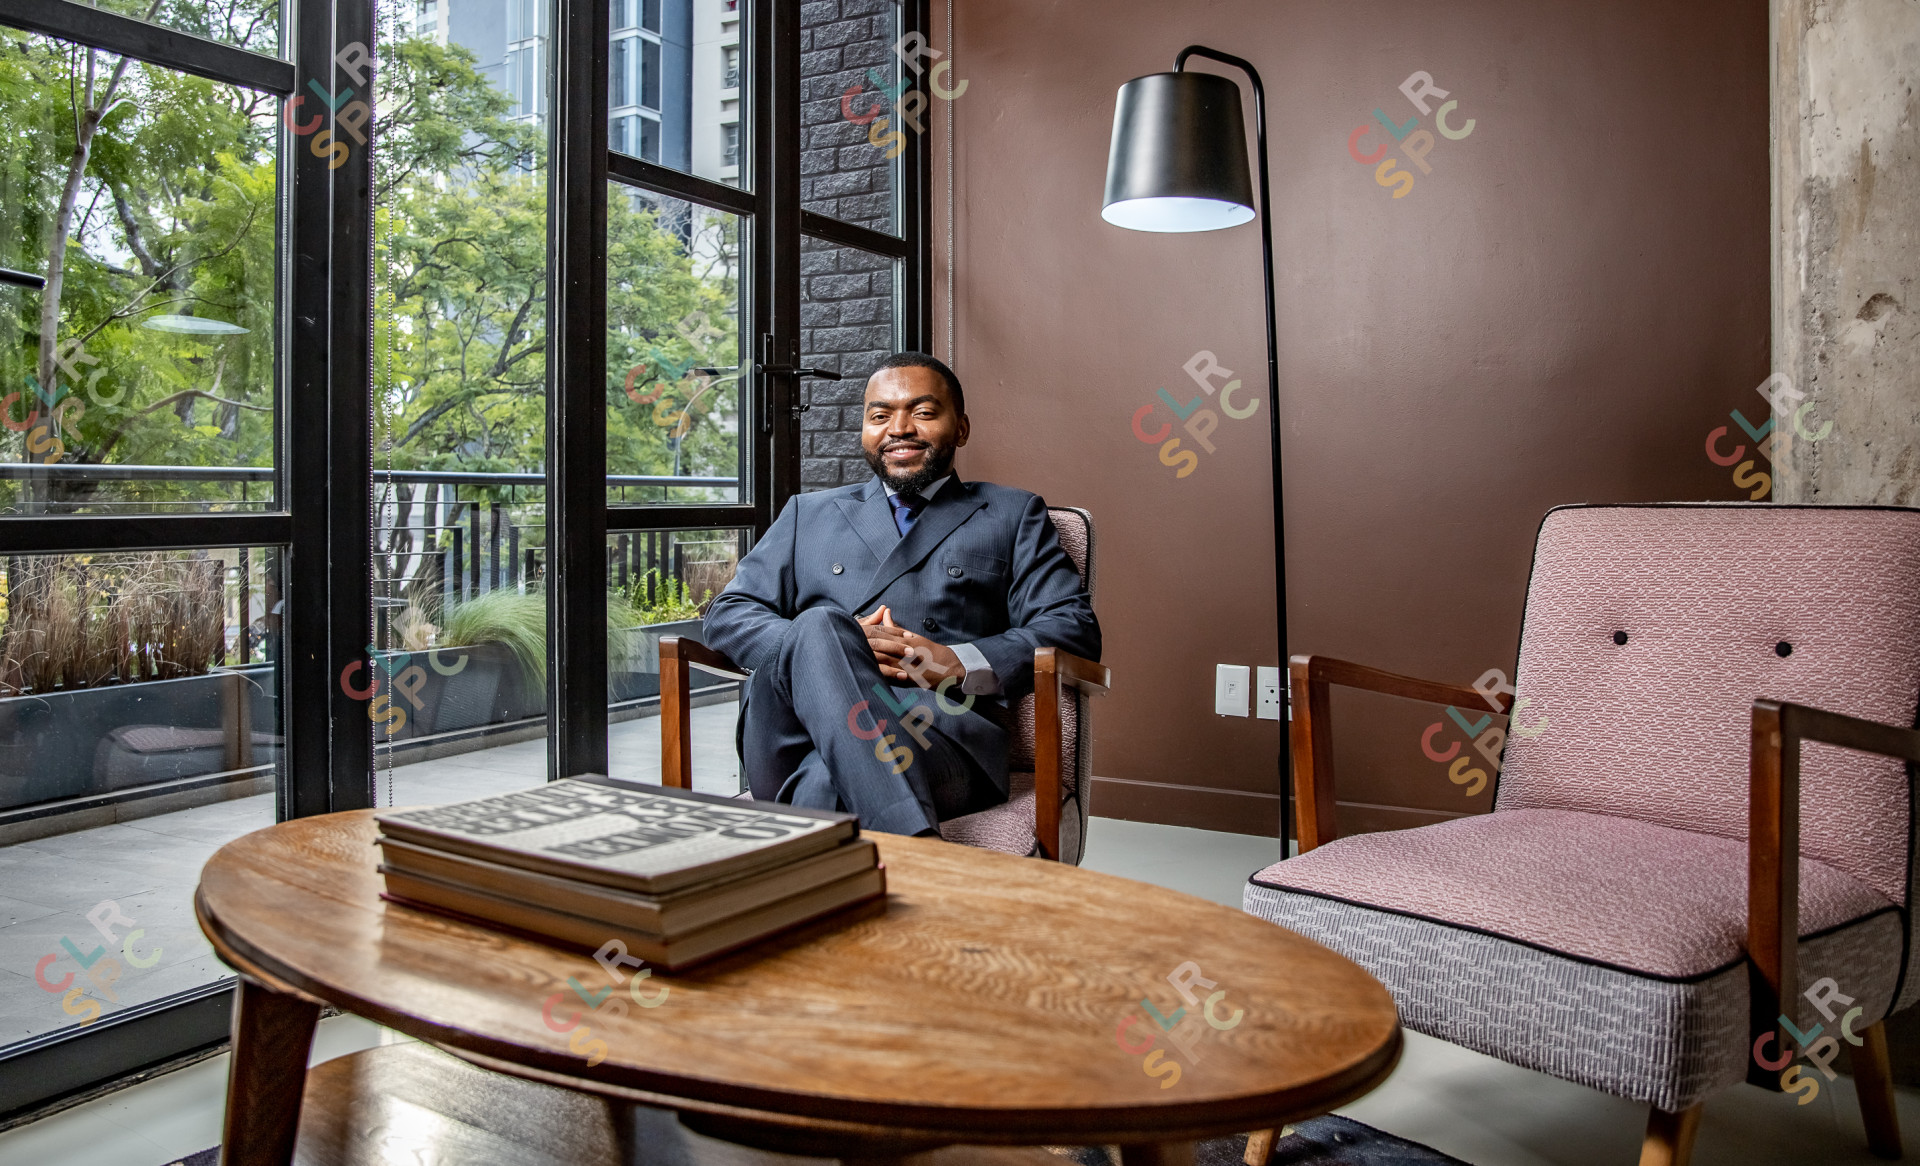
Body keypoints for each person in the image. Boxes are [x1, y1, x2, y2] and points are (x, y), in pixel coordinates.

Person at [704, 352, 1100, 837]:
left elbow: (1071, 627)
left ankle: (876, 865)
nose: (899, 428)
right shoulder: (808, 513)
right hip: (794, 733)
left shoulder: (1012, 514)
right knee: (822, 624)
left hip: (938, 732)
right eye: (879, 415)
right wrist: (829, 647)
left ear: (962, 428)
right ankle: (921, 849)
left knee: (827, 786)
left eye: (924, 412)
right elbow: (729, 613)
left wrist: (957, 662)